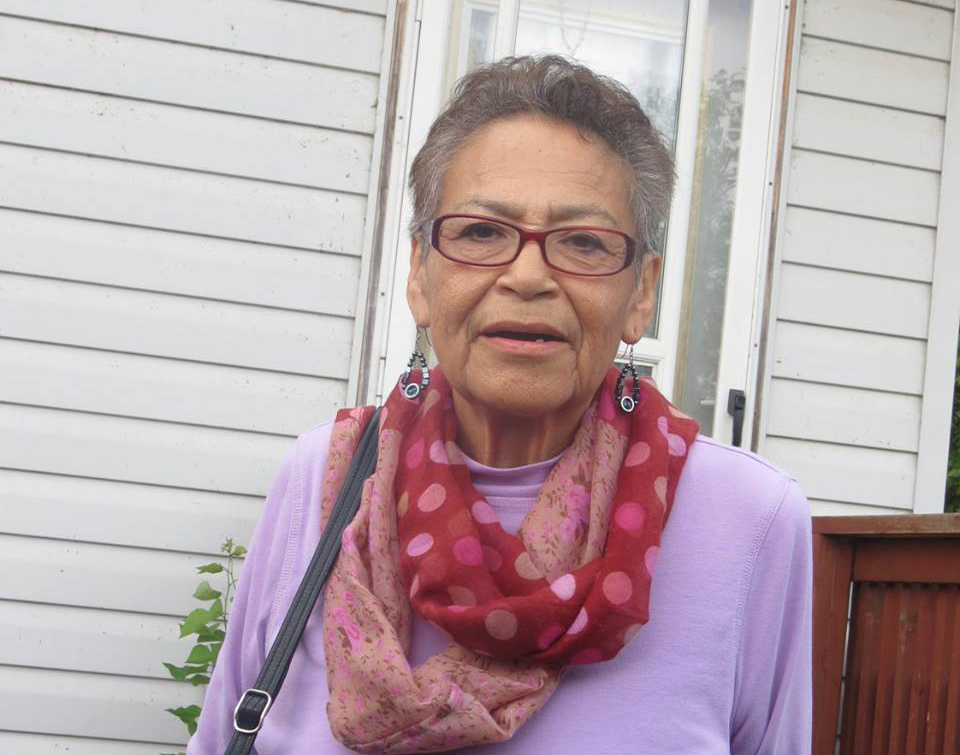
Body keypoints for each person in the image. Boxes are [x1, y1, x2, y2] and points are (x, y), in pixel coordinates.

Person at [188, 55, 812, 754]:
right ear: (420, 274)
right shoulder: (323, 481)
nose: (527, 275)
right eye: (481, 232)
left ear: (641, 293)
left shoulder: (751, 519)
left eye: (583, 241)